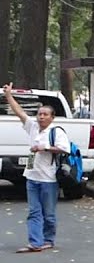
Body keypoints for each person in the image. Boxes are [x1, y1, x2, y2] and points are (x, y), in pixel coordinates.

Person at [5, 83, 69, 253]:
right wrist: (9, 96)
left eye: (45, 114)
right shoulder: (33, 127)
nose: (41, 117)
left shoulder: (56, 132)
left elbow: (64, 148)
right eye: (39, 114)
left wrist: (44, 148)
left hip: (49, 179)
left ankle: (48, 239)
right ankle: (35, 242)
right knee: (34, 212)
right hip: (32, 176)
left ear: (52, 117)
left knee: (48, 214)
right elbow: (20, 113)